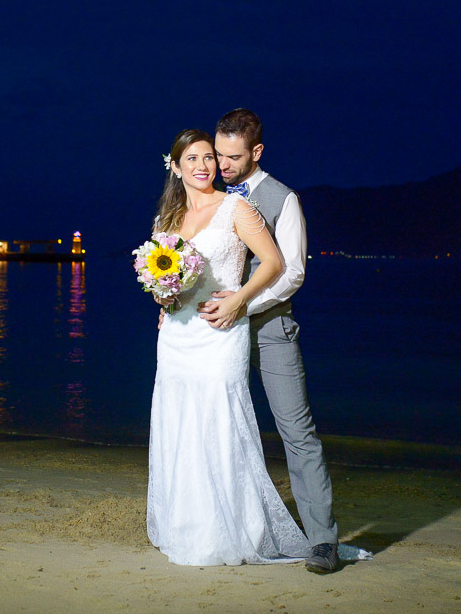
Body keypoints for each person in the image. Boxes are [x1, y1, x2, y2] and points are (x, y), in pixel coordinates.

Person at [146, 128, 311, 566]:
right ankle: (186, 525)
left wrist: (239, 299)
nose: (204, 166)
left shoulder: (236, 207)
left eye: (209, 158)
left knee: (221, 423)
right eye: (194, 159)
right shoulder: (167, 219)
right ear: (176, 167)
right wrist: (164, 296)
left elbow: (274, 263)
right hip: (178, 335)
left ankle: (234, 529)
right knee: (179, 423)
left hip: (222, 331)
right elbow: (166, 276)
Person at [198, 108, 340, 574]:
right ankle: (227, 527)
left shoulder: (284, 199)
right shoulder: (213, 196)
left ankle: (322, 542)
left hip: (270, 328)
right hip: (218, 329)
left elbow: (293, 272)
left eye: (233, 157)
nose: (222, 165)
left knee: (297, 433)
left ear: (256, 151)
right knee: (222, 430)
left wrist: (241, 303)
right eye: (218, 155)